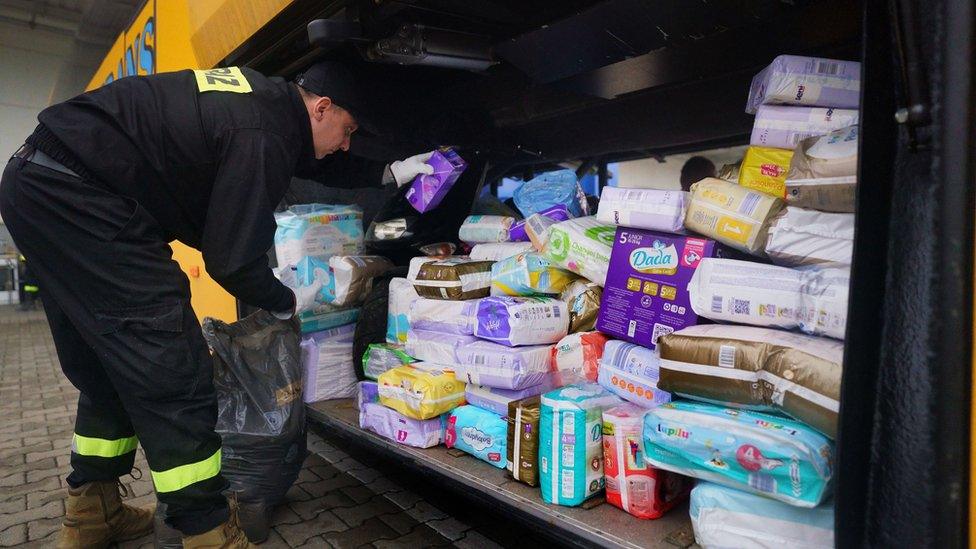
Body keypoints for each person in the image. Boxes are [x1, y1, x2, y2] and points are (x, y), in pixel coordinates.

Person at [0, 60, 434, 548]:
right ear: (321, 107)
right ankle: (208, 532)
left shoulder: (263, 108)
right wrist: (286, 300)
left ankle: (92, 514)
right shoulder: (262, 129)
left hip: (35, 183)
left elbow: (311, 158)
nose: (348, 143)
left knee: (108, 361)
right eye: (348, 130)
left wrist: (388, 172)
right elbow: (231, 261)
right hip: (85, 200)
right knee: (175, 370)